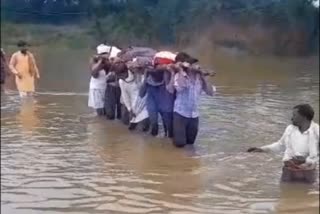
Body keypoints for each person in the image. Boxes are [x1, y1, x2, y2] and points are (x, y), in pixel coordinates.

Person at [247, 104, 319, 183]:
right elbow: (280, 145)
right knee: (285, 193)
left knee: (309, 193)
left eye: (294, 115)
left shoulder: (316, 131)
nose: (292, 118)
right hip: (288, 170)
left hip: (308, 172)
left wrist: (306, 161)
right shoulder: (290, 129)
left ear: (304, 117)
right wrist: (262, 149)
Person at [170, 62, 215, 148]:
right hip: (180, 113)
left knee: (190, 143)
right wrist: (180, 70)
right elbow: (180, 87)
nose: (198, 66)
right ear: (188, 67)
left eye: (198, 64)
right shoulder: (179, 75)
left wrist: (204, 78)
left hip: (194, 115)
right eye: (194, 64)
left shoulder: (200, 80)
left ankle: (187, 159)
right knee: (180, 143)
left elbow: (211, 92)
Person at [139, 63, 175, 138]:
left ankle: (160, 141)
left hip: (164, 103)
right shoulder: (148, 78)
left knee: (166, 126)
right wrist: (145, 79)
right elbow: (141, 94)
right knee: (156, 124)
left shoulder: (166, 77)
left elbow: (141, 94)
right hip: (158, 103)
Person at [117, 60, 149, 131]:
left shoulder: (137, 74)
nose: (121, 77)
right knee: (131, 129)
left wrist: (140, 71)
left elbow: (143, 87)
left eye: (122, 75)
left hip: (144, 104)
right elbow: (125, 96)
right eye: (119, 76)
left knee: (144, 128)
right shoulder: (121, 81)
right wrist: (129, 109)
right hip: (134, 107)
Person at [88, 44, 111, 116]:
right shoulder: (94, 61)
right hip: (96, 88)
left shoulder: (109, 61)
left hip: (105, 88)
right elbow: (94, 74)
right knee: (99, 110)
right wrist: (100, 61)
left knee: (105, 109)